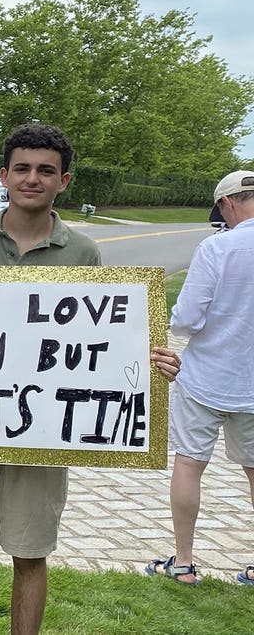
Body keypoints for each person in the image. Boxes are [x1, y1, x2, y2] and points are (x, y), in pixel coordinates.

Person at [0, 123, 181, 635]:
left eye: (46, 171)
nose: (32, 179)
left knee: (30, 551)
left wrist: (152, 366)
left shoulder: (83, 253)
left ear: (63, 181)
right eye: (22, 168)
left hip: (43, 428)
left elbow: (99, 341)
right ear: (4, 175)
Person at [145, 170, 254, 586]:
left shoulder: (217, 248)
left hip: (207, 375)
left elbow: (187, 319)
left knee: (189, 464)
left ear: (227, 203)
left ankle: (185, 563)